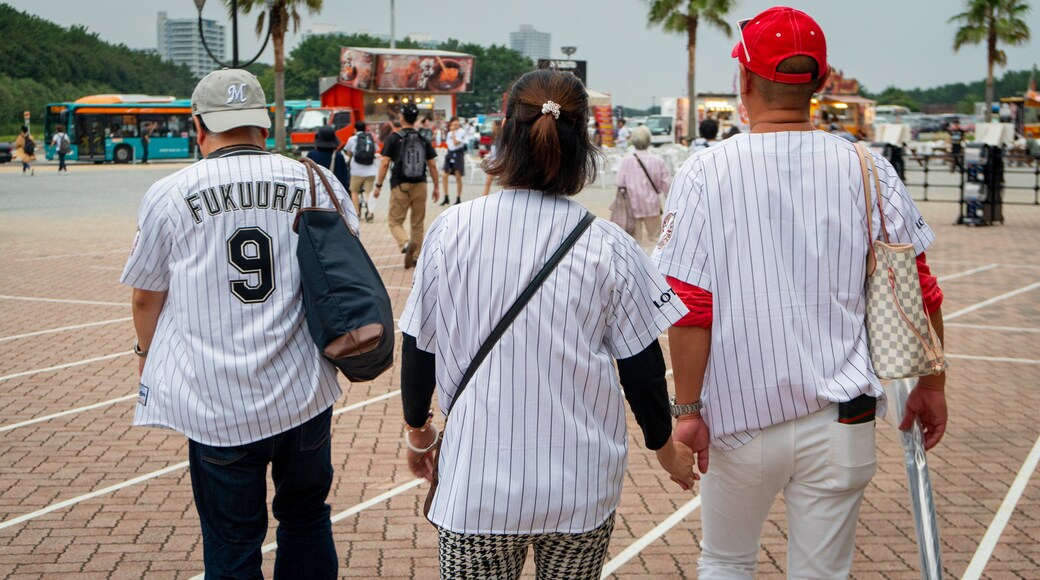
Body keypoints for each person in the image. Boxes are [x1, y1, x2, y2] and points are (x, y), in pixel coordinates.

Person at [653, 7, 948, 578]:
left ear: (743, 79)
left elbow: (691, 304)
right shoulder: (868, 166)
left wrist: (685, 410)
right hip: (842, 416)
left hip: (737, 416)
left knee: (726, 560)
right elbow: (921, 290)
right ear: (821, 80)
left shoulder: (705, 171)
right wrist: (931, 383)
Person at [399, 69, 696, 580]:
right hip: (581, 484)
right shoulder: (610, 246)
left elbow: (419, 345)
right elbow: (643, 370)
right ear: (582, 144)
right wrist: (664, 447)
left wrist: (418, 432)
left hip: (478, 484)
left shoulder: (452, 232)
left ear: (506, 134)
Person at [120, 69, 348, 579]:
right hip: (303, 390)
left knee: (232, 540)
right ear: (264, 126)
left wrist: (144, 359)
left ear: (198, 126)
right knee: (307, 517)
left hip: (216, 402)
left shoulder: (170, 193)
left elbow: (145, 297)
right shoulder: (316, 180)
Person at [373, 102, 440, 269]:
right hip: (421, 184)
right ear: (416, 118)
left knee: (394, 221)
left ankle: (404, 243)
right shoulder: (423, 138)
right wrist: (437, 187)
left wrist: (378, 185)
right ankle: (416, 255)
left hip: (400, 185)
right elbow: (432, 165)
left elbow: (385, 163)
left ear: (401, 118)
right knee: (417, 223)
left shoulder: (394, 138)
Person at [616, 125, 671, 246]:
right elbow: (667, 186)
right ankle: (654, 263)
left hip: (632, 205)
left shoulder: (626, 160)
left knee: (635, 241)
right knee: (656, 239)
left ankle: (637, 264)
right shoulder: (658, 160)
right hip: (652, 205)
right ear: (649, 141)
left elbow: (620, 183)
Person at [344, 120, 379, 218]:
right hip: (371, 170)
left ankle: (356, 213)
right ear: (365, 129)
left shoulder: (352, 139)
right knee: (368, 192)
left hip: (356, 171)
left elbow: (348, 154)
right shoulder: (370, 138)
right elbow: (376, 150)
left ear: (355, 129)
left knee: (354, 191)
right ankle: (370, 213)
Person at [306, 125, 351, 193]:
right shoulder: (338, 156)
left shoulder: (311, 155)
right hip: (334, 194)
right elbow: (344, 178)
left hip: (316, 192)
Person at [440, 116, 466, 205]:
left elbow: (456, 143)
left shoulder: (461, 132)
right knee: (444, 175)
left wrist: (453, 132)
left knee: (458, 176)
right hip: (450, 154)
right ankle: (446, 196)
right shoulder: (449, 133)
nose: (455, 123)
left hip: (458, 154)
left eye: (456, 121)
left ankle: (458, 198)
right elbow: (449, 144)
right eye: (453, 121)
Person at [481, 119, 503, 196]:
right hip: (493, 161)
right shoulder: (494, 136)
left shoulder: (502, 137)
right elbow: (494, 150)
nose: (492, 127)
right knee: (488, 181)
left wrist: (498, 159)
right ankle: (484, 198)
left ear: (498, 126)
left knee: (502, 183)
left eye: (493, 125)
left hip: (500, 162)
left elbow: (502, 151)